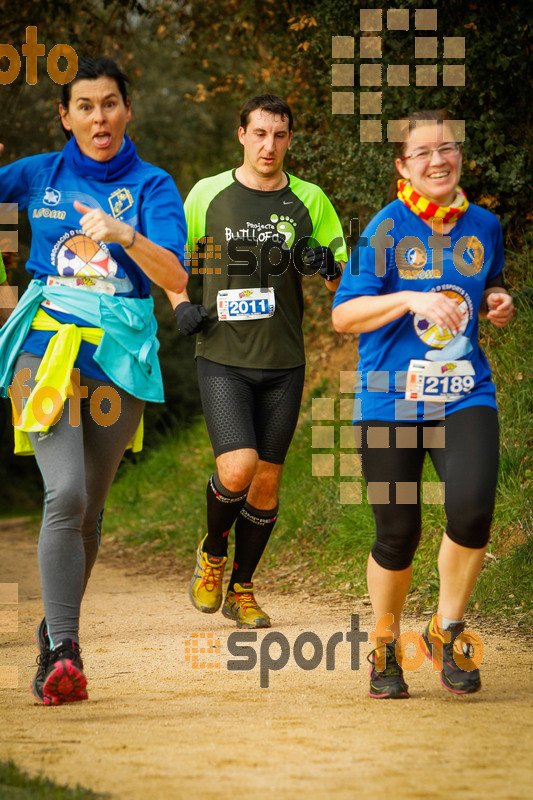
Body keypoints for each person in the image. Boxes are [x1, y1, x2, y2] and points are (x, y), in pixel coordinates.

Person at [0, 57, 188, 705]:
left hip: (121, 352)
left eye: (109, 103)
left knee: (90, 511)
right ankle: (68, 652)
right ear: (65, 116)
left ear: (126, 110)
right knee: (67, 493)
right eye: (85, 106)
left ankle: (52, 638)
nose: (98, 117)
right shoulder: (39, 173)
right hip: (42, 346)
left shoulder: (153, 185)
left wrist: (124, 232)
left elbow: (174, 278)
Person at [332, 110, 514, 698]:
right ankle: (383, 646)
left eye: (449, 148)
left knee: (471, 510)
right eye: (425, 152)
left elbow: (487, 283)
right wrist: (409, 296)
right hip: (389, 401)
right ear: (403, 166)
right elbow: (343, 315)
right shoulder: (384, 230)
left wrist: (497, 298)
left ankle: (446, 629)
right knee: (397, 531)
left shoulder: (483, 225)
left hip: (465, 393)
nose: (439, 159)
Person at [167, 94, 347, 628]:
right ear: (241, 134)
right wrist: (180, 306)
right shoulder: (207, 195)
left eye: (280, 136)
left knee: (266, 482)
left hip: (284, 359)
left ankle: (241, 587)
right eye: (260, 134)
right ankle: (213, 555)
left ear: (290, 140)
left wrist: (325, 266)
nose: (269, 146)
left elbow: (346, 278)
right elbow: (173, 263)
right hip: (222, 354)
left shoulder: (309, 200)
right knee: (238, 467)